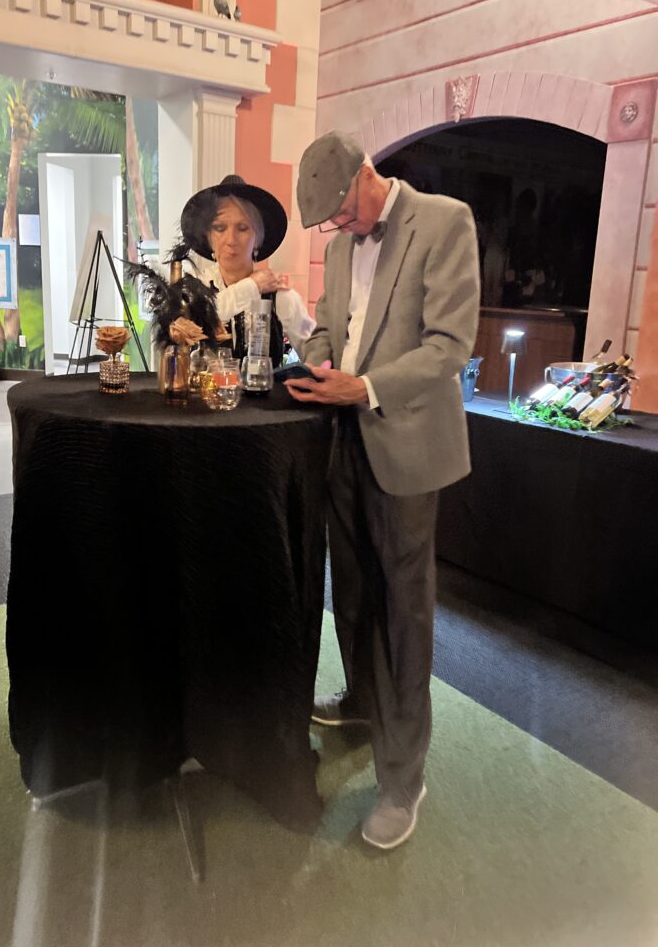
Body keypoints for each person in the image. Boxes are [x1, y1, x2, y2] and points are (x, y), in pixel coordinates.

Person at [286, 131, 480, 850]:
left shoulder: (445, 221)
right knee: (354, 591)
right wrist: (313, 355)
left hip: (407, 446)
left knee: (404, 612)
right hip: (346, 443)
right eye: (330, 223)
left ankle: (403, 779)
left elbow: (449, 345)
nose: (339, 228)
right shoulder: (342, 246)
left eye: (342, 213)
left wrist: (363, 386)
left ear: (367, 174)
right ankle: (364, 701)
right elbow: (331, 329)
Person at [173, 174, 314, 360]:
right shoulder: (194, 287)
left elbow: (316, 353)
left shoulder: (281, 298)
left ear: (258, 238)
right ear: (208, 237)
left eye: (242, 228)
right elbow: (192, 321)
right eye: (220, 228)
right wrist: (251, 287)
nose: (231, 240)